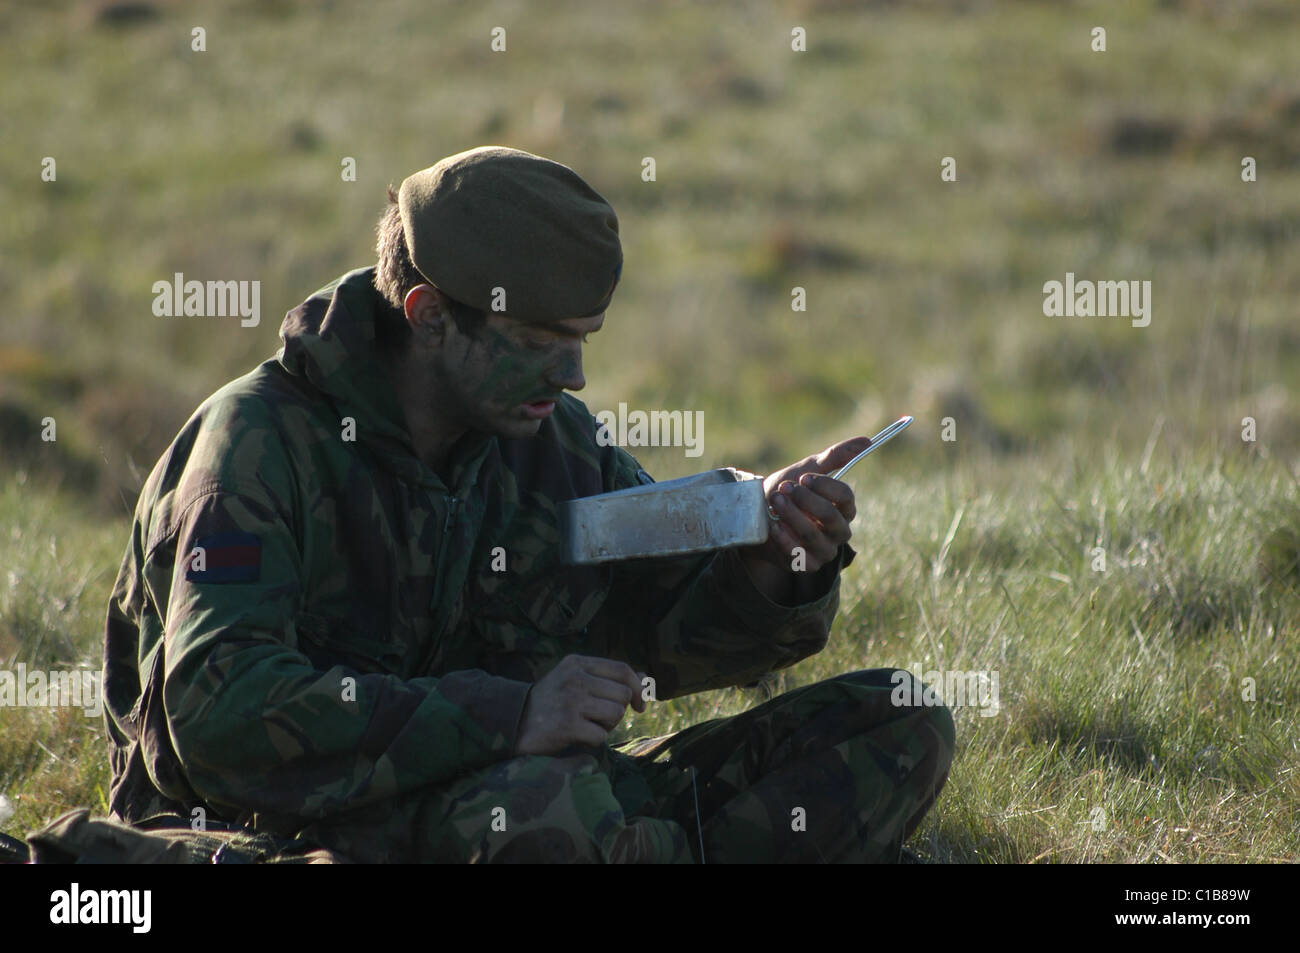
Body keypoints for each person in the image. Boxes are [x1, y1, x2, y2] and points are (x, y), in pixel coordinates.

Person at [101, 145, 954, 862]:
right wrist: (509, 716)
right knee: (553, 814)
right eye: (541, 342)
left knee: (899, 718)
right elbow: (219, 716)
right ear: (429, 315)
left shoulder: (552, 441)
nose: (574, 375)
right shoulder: (256, 447)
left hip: (526, 791)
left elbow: (658, 630)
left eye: (581, 340)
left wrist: (771, 560)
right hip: (294, 826)